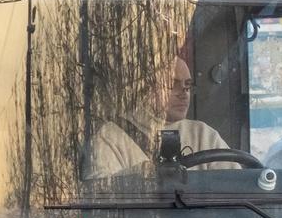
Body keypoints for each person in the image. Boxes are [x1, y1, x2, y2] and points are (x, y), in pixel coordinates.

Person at [82, 48, 228, 182]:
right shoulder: (111, 137)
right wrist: (145, 174)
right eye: (173, 85)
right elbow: (96, 195)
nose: (184, 94)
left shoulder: (204, 135)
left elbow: (236, 185)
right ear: (146, 90)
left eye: (187, 86)